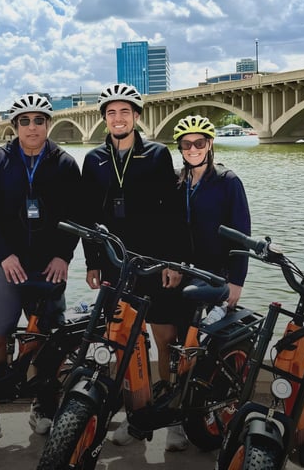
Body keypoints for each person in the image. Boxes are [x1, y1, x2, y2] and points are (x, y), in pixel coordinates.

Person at [79, 83, 186, 451]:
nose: (118, 118)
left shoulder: (156, 154)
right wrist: (92, 262)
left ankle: (172, 417)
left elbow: (172, 213)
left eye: (125, 111)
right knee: (120, 342)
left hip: (154, 264)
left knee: (166, 340)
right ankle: (133, 414)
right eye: (111, 113)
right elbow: (88, 217)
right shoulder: (93, 159)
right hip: (114, 265)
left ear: (137, 116)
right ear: (104, 119)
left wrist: (172, 261)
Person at [0, 94, 82, 451]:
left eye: (39, 120)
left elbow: (77, 214)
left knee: (47, 340)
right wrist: (3, 254)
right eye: (24, 121)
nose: (32, 127)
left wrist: (64, 255)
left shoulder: (65, 163)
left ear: (48, 124)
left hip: (49, 267)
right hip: (7, 265)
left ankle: (43, 405)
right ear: (15, 125)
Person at [173, 114, 251, 309]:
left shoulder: (228, 181)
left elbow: (242, 236)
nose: (193, 149)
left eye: (199, 143)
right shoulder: (177, 180)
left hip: (217, 273)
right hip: (184, 269)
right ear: (180, 147)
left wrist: (237, 282)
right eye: (186, 144)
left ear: (209, 144)